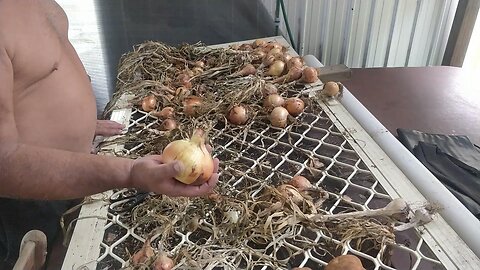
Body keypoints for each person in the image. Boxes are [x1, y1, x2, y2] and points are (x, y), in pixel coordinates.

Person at [0, 0, 220, 267]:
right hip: (31, 202)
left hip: (78, 173)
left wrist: (73, 119)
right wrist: (127, 172)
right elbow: (4, 163)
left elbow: (36, 73)